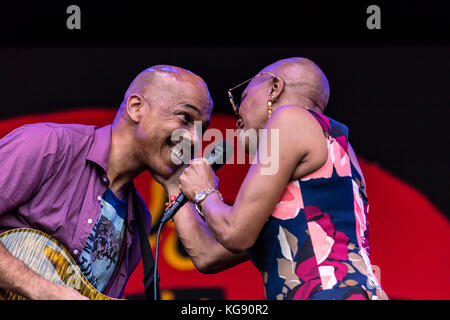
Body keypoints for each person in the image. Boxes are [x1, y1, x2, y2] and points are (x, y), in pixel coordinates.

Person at [168, 57, 389, 300]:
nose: (237, 115)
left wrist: (205, 191)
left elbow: (234, 233)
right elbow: (207, 255)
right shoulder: (327, 160)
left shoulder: (289, 118)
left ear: (275, 87)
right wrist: (173, 181)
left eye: (241, 100)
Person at [0, 65, 213, 299]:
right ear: (136, 107)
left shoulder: (139, 219)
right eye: (185, 118)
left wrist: (176, 184)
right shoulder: (49, 146)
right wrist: (44, 290)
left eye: (201, 129)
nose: (194, 139)